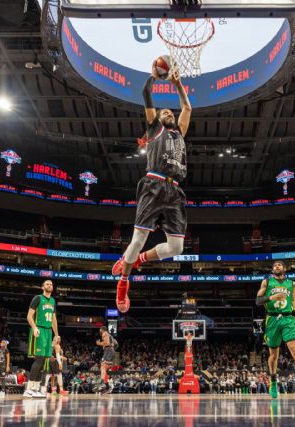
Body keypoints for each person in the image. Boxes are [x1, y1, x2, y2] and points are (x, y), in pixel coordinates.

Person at [111, 63, 192, 313]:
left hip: (175, 191)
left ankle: (140, 260)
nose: (168, 111)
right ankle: (123, 282)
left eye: (170, 111)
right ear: (157, 118)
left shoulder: (179, 132)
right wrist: (153, 76)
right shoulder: (154, 128)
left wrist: (178, 84)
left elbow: (187, 107)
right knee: (137, 241)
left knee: (177, 248)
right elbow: (146, 94)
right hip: (153, 183)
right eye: (164, 111)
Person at [255, 261, 295, 400]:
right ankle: (273, 381)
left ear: (284, 269)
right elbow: (258, 301)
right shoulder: (266, 282)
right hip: (272, 319)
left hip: (287, 319)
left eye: (279, 265)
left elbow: (293, 300)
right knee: (274, 355)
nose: (277, 267)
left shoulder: (292, 284)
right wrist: (271, 297)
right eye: (274, 265)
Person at [25, 279, 59, 398]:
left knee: (44, 362)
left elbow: (54, 319)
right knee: (38, 360)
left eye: (51, 284)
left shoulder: (53, 301)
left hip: (49, 332)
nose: (49, 285)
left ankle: (36, 388)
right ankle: (29, 388)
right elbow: (29, 316)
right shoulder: (37, 298)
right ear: (42, 287)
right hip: (39, 330)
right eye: (47, 284)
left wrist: (56, 334)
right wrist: (34, 327)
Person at [95, 326, 118, 394]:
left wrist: (99, 343)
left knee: (103, 367)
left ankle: (102, 384)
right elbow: (116, 344)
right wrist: (112, 349)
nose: (99, 331)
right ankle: (107, 387)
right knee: (103, 368)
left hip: (108, 350)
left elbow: (107, 343)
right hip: (110, 351)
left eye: (100, 329)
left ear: (102, 329)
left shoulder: (104, 333)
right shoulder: (111, 336)